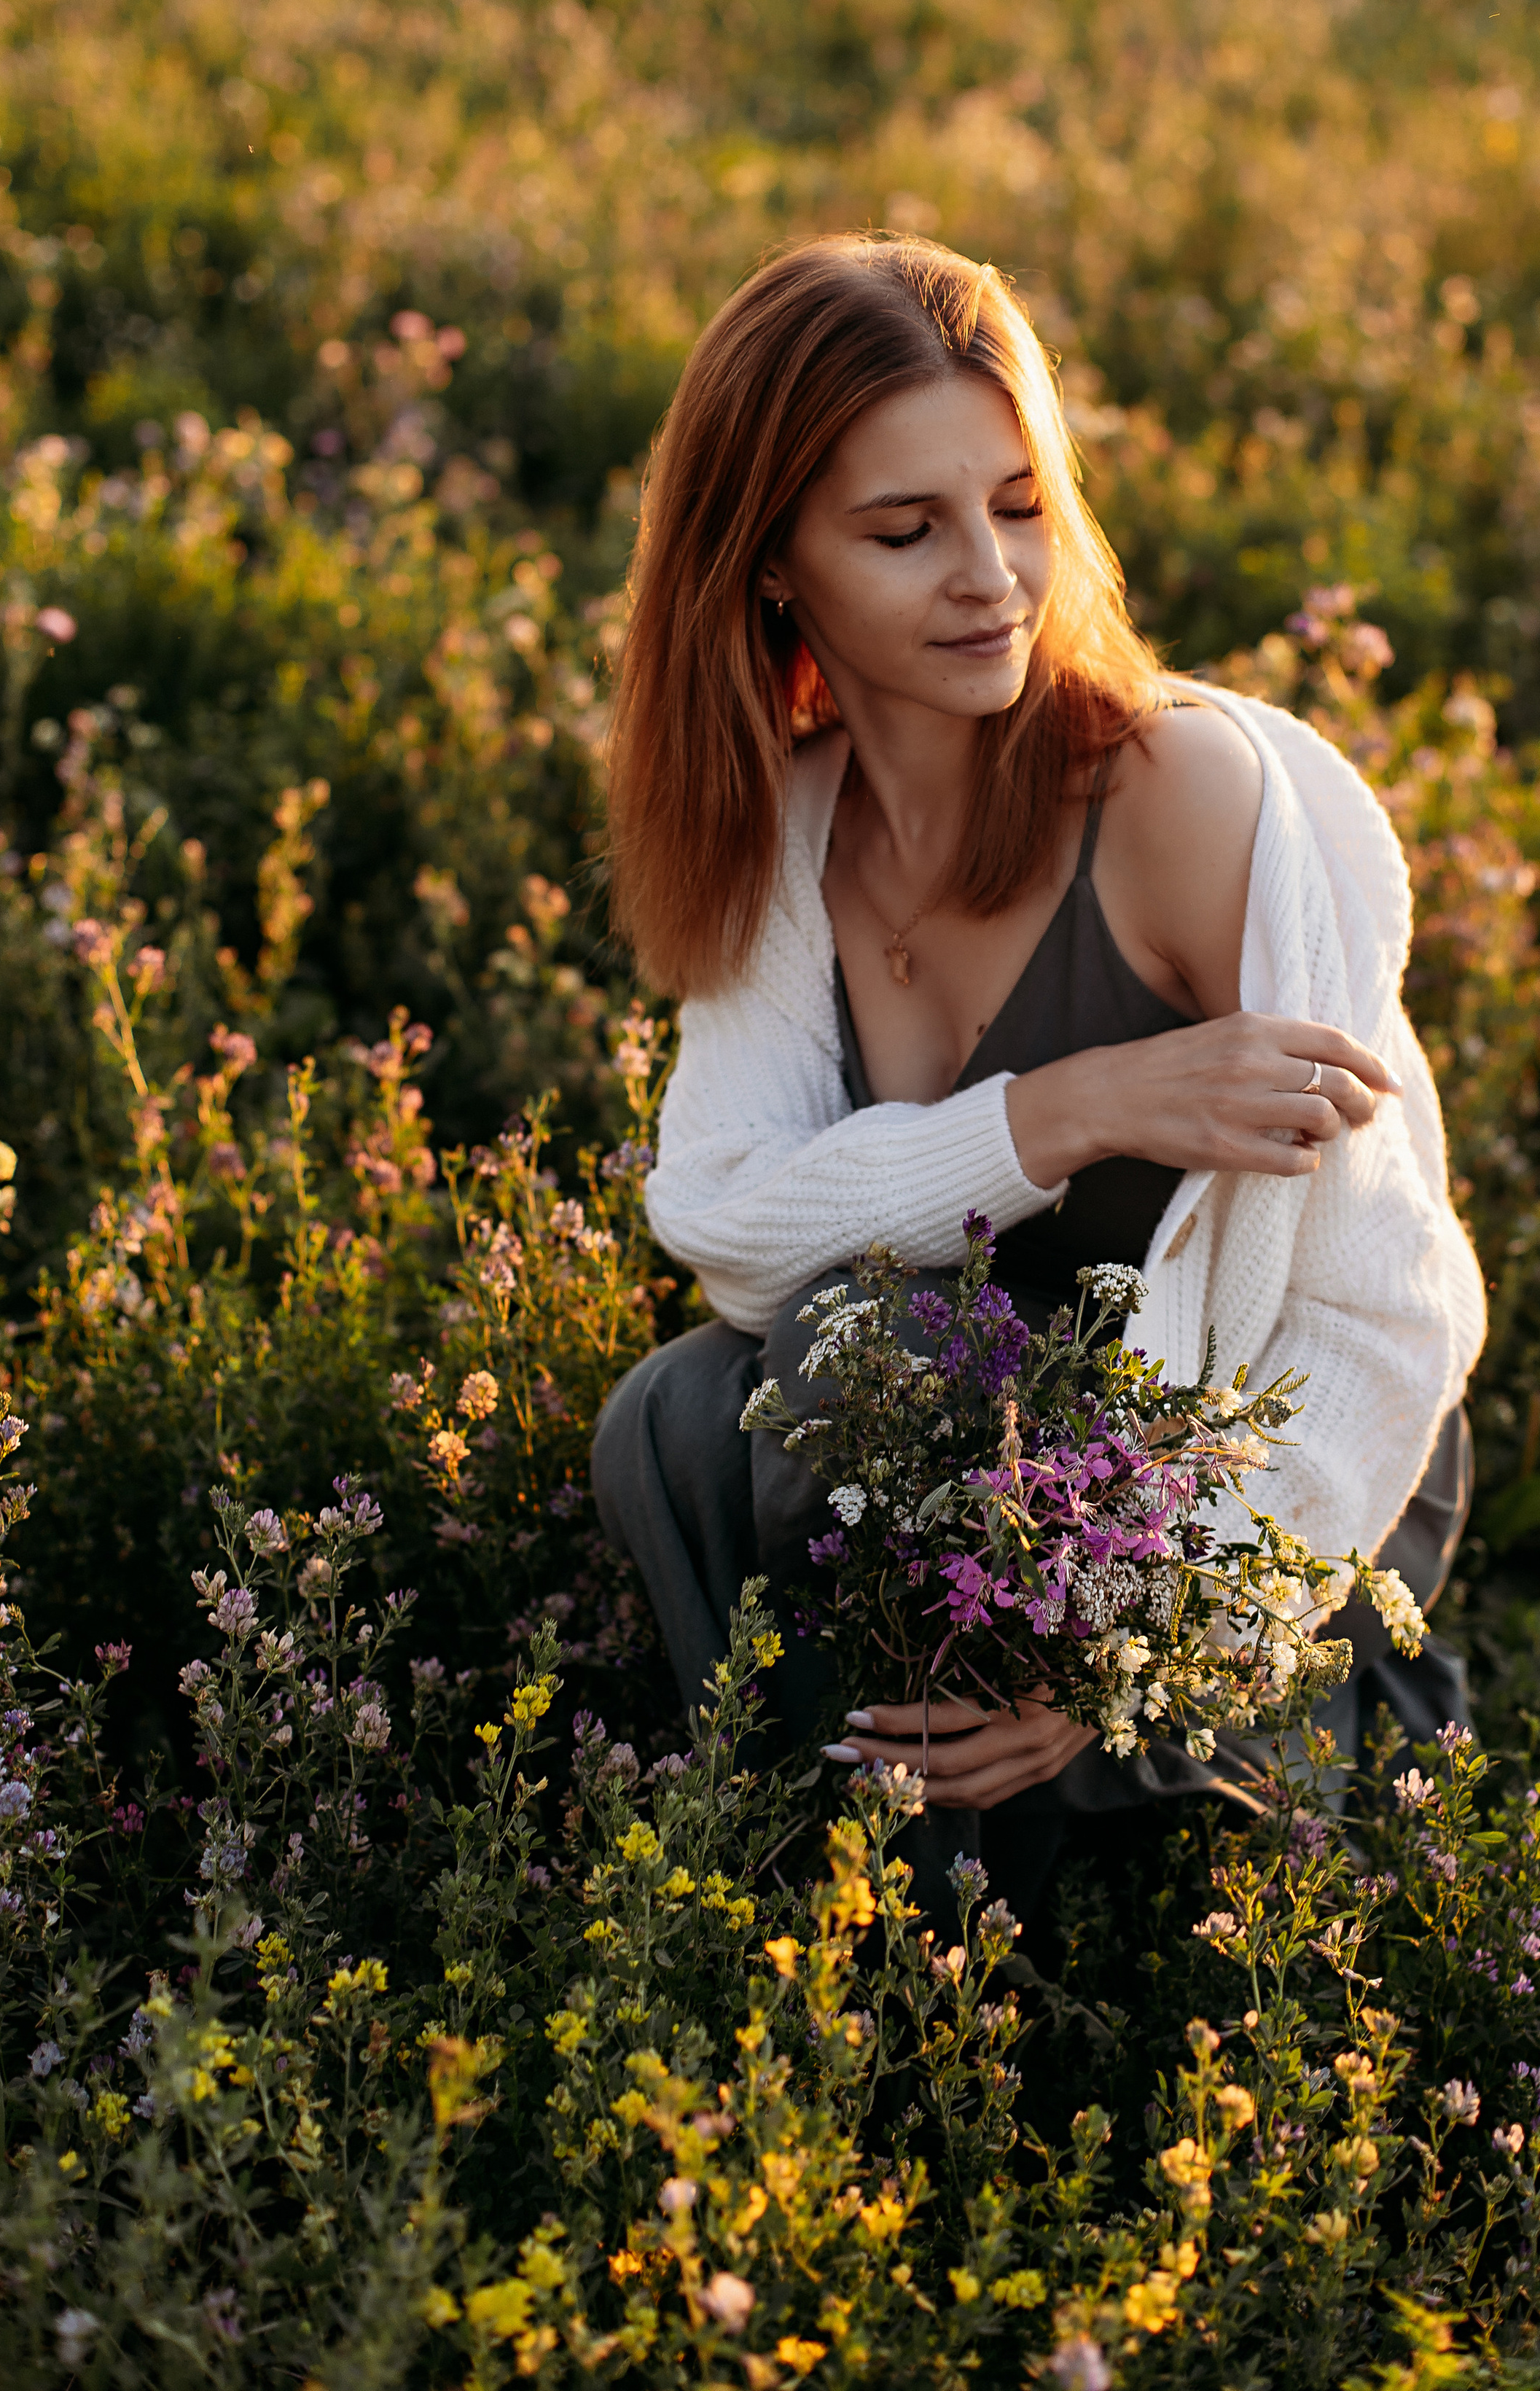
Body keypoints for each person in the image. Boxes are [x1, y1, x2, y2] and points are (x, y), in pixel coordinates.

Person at [592, 233, 1485, 1917]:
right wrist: (1065, 1113)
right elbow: (724, 1224)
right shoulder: (790, 830)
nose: (992, 575)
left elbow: (1391, 1314)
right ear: (768, 563)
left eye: (1017, 501)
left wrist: (1123, 1657)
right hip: (983, 1462)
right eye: (903, 529)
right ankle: (864, 1918)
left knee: (854, 1367)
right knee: (688, 1413)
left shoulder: (1177, 801)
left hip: (1243, 1502)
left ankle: (959, 1957)